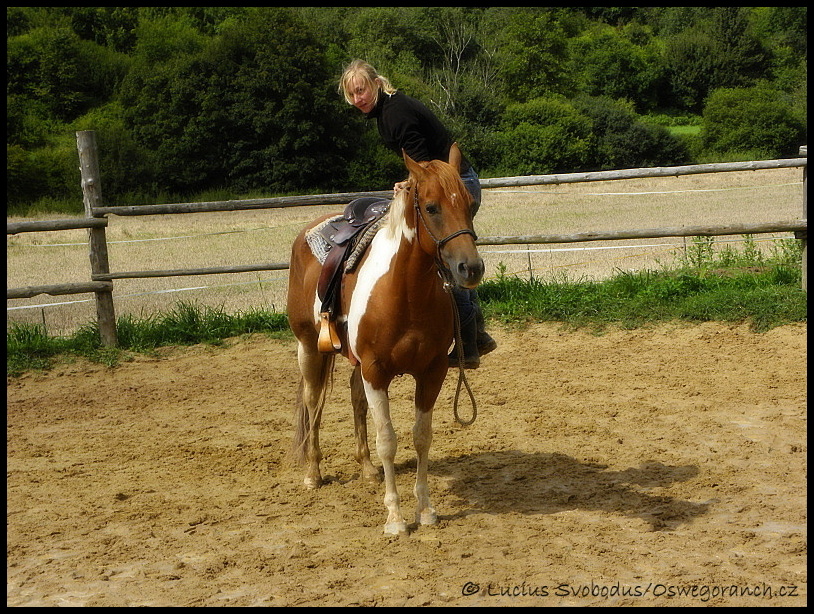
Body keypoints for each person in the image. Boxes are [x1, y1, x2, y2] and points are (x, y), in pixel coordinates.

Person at [338, 59, 496, 368]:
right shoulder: (386, 111)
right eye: (352, 94)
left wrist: (411, 183)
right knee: (447, 260)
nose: (359, 99)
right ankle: (474, 333)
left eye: (362, 90)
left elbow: (423, 166)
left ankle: (470, 340)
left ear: (376, 84)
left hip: (454, 186)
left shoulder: (395, 113)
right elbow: (425, 164)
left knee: (449, 259)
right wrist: (410, 181)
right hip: (447, 182)